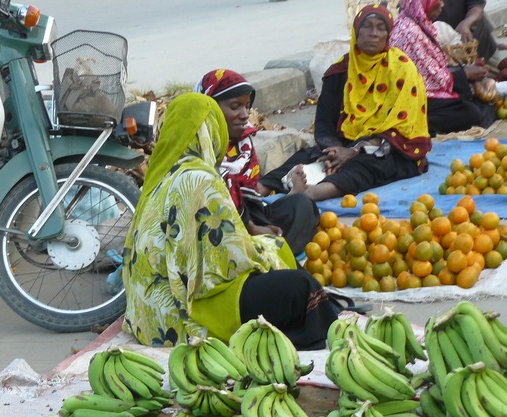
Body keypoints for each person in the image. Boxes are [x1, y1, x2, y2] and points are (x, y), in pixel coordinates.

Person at [121, 92, 339, 351]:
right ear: (211, 131)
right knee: (300, 285)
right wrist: (269, 250)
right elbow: (228, 263)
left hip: (148, 316)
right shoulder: (200, 178)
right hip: (183, 317)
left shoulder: (159, 176)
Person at [258, 3, 432, 201]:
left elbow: (404, 126)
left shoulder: (402, 69)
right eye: (367, 26)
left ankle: (312, 193)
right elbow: (324, 122)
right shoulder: (340, 71)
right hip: (344, 142)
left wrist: (354, 151)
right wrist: (334, 150)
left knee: (371, 164)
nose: (374, 34)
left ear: (388, 34)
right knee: (306, 157)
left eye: (381, 28)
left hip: (385, 145)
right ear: (356, 31)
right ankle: (257, 190)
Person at [194, 69, 319, 254]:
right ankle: (268, 256)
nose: (245, 115)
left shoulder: (242, 144)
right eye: (235, 107)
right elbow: (209, 209)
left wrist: (257, 224)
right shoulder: (196, 148)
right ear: (210, 108)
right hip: (217, 228)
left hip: (249, 214)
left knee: (301, 205)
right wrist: (250, 228)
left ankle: (268, 253)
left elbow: (250, 197)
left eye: (247, 106)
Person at [390, 0, 496, 135]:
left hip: (426, 94)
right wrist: (466, 74)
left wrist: (466, 71)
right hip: (415, 99)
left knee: (479, 104)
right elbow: (428, 81)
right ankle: (422, 122)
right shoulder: (409, 33)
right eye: (437, 1)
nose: (442, 5)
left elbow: (434, 67)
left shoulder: (418, 26)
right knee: (472, 113)